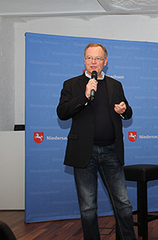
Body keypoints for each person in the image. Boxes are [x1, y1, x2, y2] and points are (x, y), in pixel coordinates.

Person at [57, 43, 136, 240]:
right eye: (89, 58)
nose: (93, 62)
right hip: (84, 152)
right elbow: (62, 112)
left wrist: (123, 111)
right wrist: (84, 96)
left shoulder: (115, 85)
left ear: (105, 62)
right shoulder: (71, 84)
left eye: (98, 58)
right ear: (84, 60)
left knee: (123, 203)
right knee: (88, 207)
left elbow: (128, 111)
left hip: (111, 151)